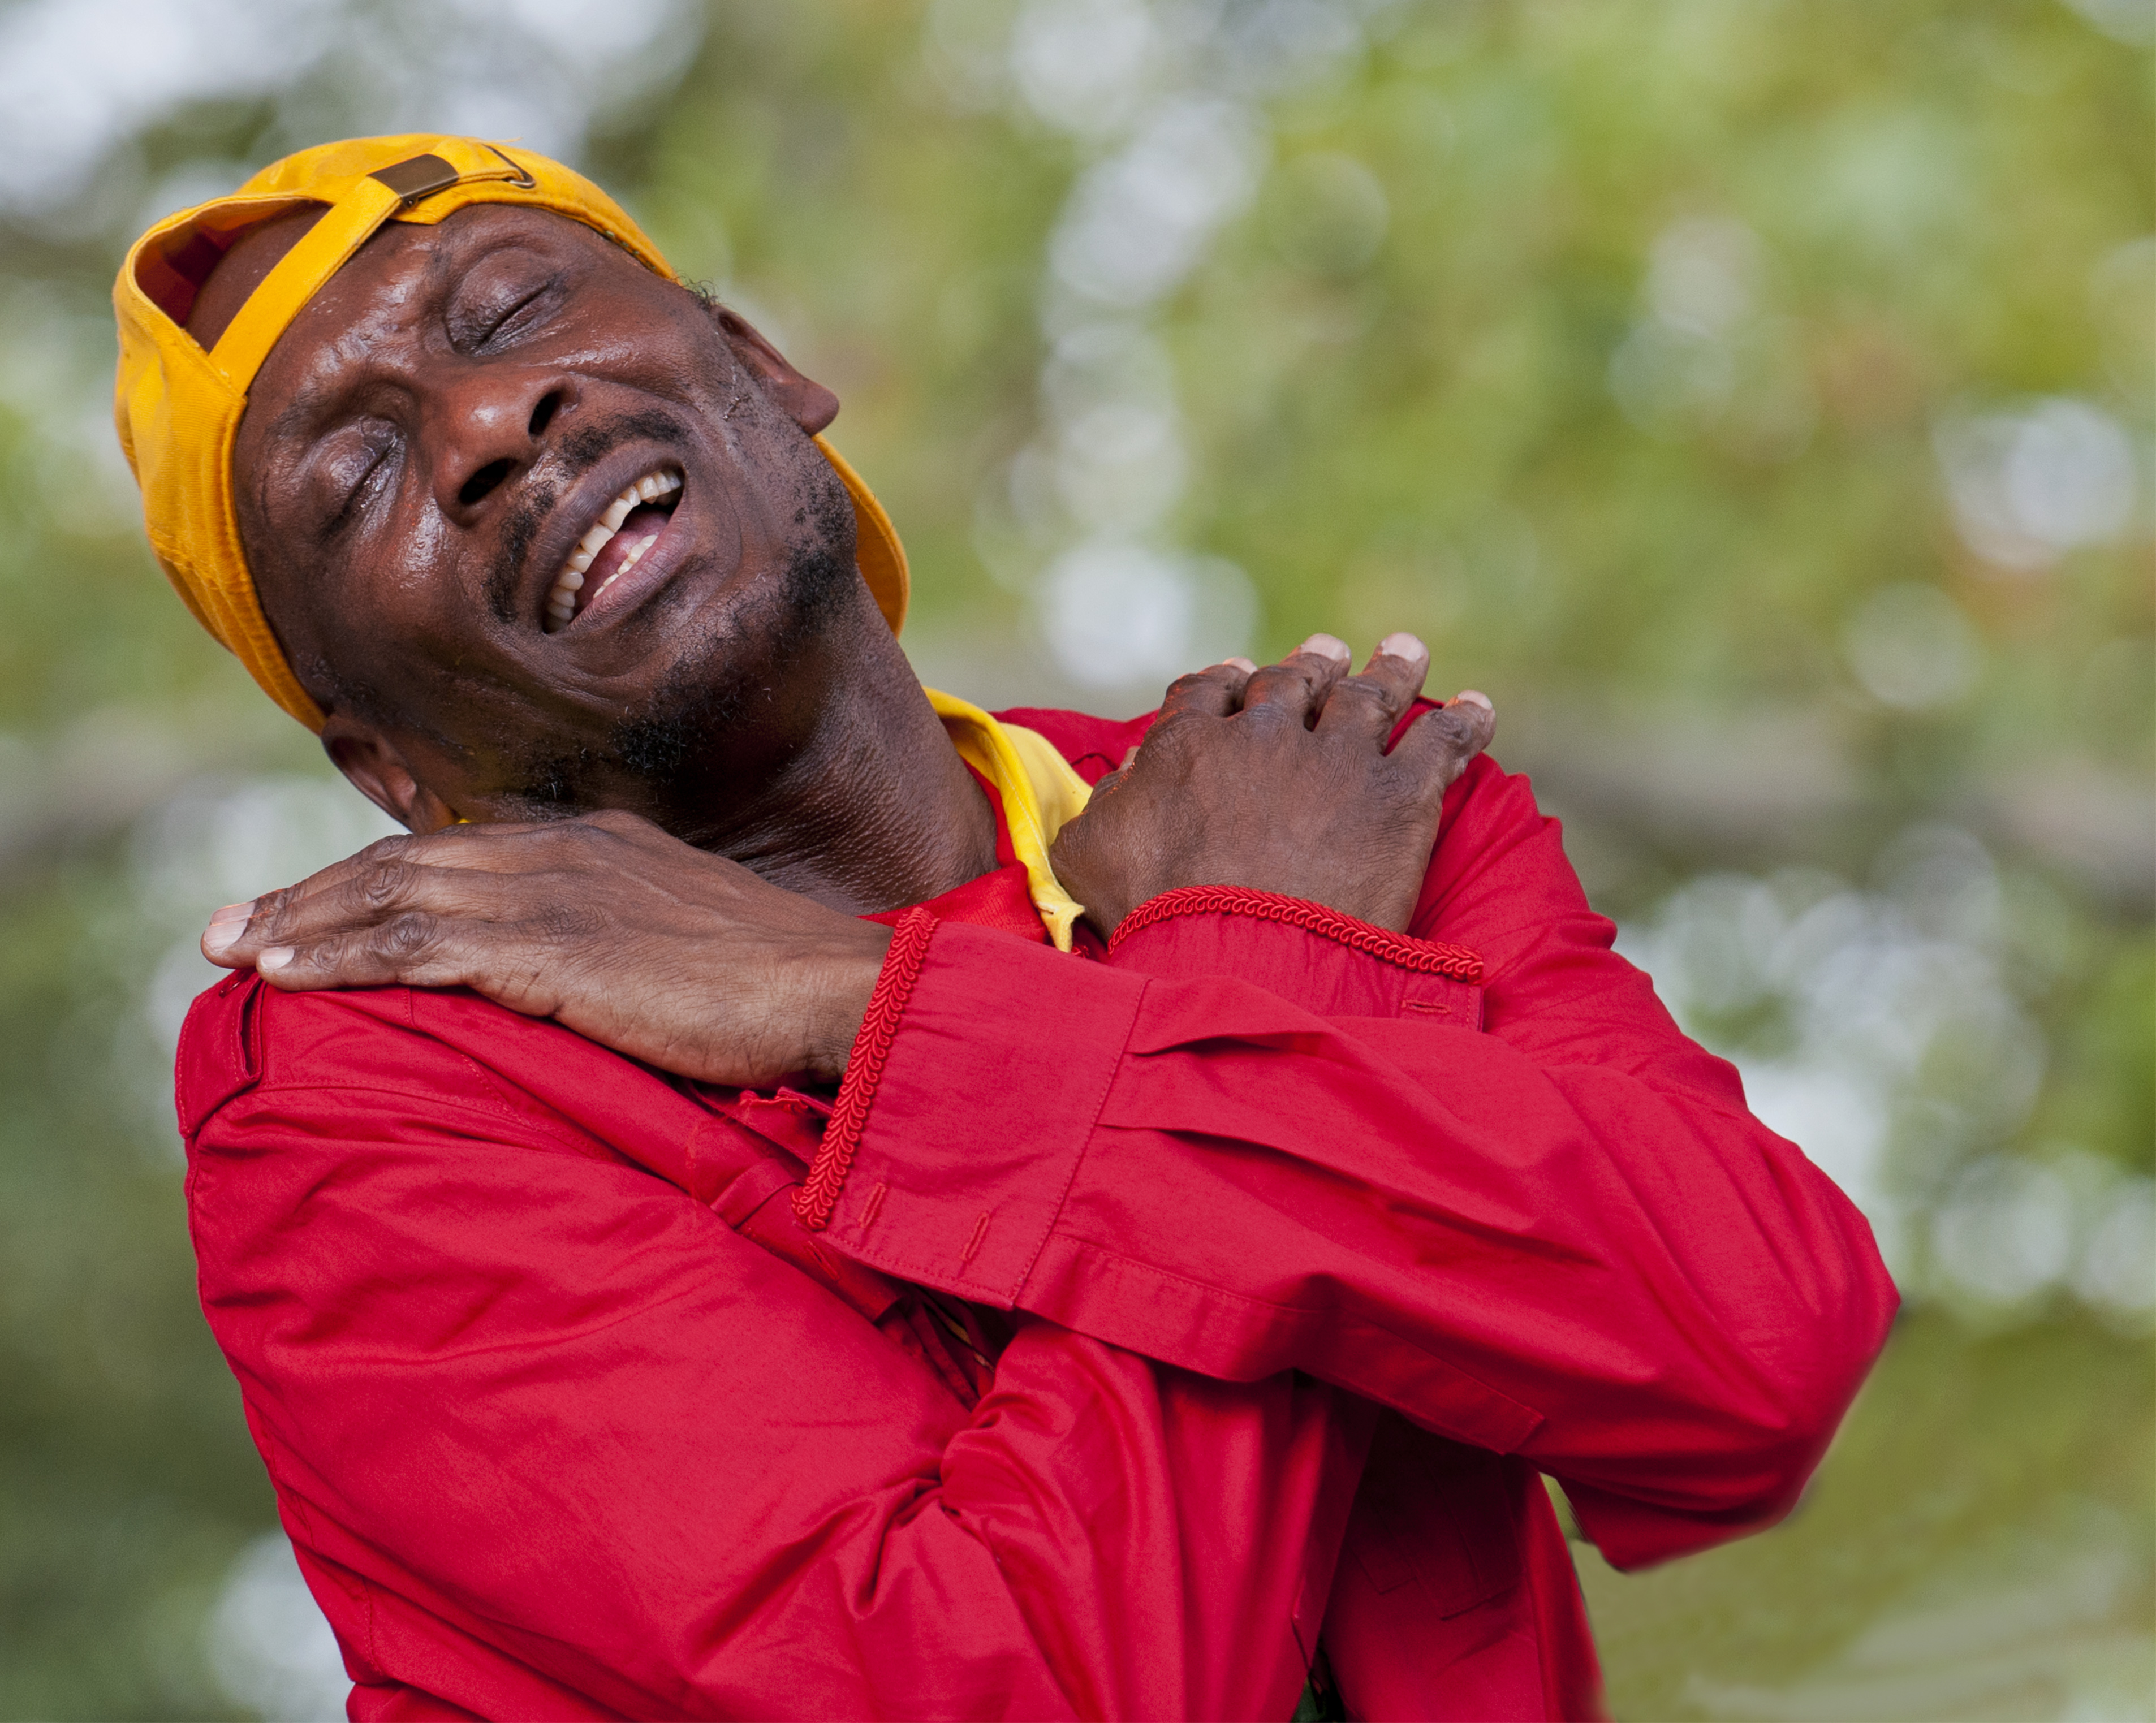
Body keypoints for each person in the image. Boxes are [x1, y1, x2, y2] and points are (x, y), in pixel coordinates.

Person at [113, 135, 1895, 1721]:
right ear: (390, 771)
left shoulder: (1306, 782)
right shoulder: (367, 1081)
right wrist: (1248, 967)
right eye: (353, 485)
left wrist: (849, 1000)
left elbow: (1758, 1361)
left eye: (508, 312)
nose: (490, 429)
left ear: (760, 365)